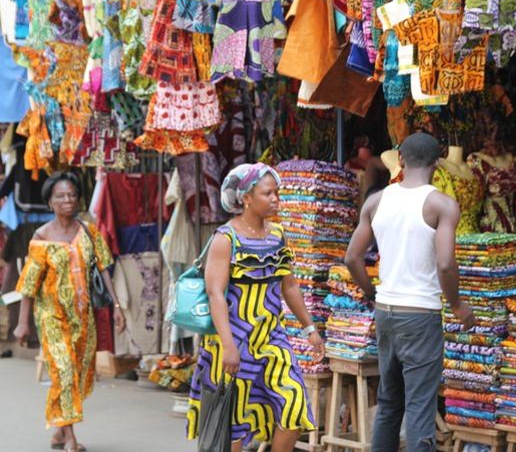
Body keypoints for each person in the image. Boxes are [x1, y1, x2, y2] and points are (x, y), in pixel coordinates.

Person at [344, 132, 475, 452]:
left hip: (387, 310)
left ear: (399, 158)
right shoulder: (442, 204)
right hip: (421, 313)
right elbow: (445, 263)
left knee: (390, 401)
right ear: (439, 162)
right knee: (419, 405)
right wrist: (458, 305)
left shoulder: (376, 200)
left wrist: (373, 293)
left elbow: (352, 258)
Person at [186, 163, 324, 452]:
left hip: (272, 338)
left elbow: (290, 287)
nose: (275, 199)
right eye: (268, 193)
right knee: (234, 420)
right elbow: (215, 293)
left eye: (277, 193)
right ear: (246, 197)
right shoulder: (226, 239)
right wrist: (227, 344)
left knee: (293, 403)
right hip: (233, 338)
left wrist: (310, 328)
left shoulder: (278, 236)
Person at [13, 171, 126, 452]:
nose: (68, 200)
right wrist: (22, 323)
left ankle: (58, 432)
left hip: (82, 316)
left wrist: (117, 305)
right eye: (61, 196)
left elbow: (103, 268)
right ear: (50, 202)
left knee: (78, 373)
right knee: (63, 372)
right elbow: (29, 284)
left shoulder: (88, 230)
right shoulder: (41, 237)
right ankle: (71, 439)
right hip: (51, 316)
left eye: (72, 195)